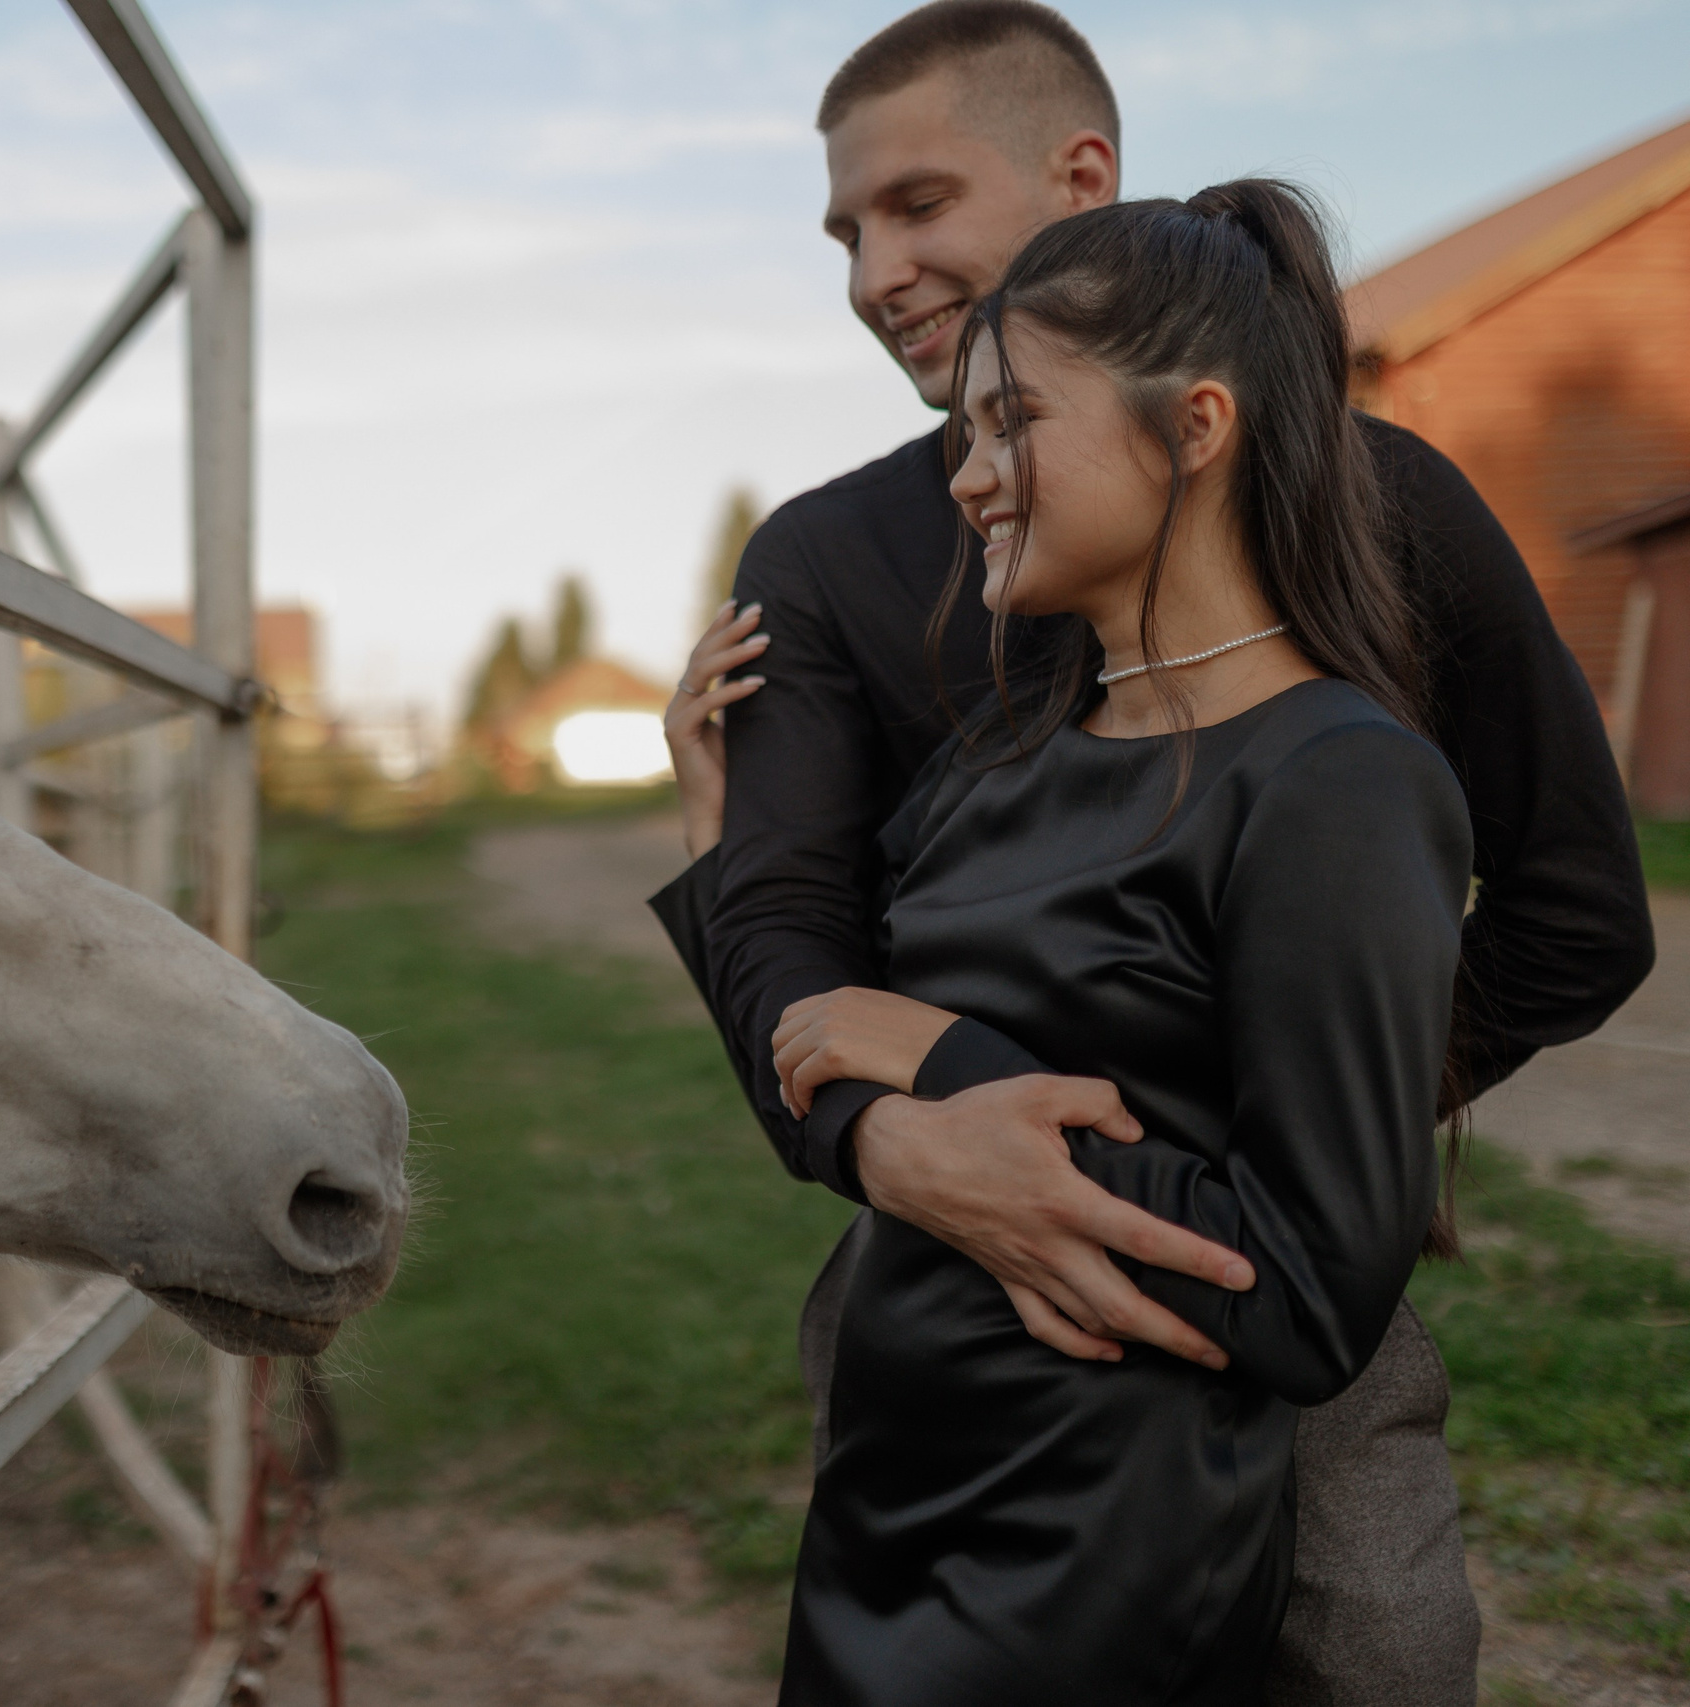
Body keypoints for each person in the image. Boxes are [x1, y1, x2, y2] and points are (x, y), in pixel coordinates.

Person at [648, 4, 1655, 1701]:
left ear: (1082, 173)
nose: (871, 271)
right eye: (842, 232)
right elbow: (793, 958)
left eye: (914, 205)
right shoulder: (822, 563)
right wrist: (911, 1156)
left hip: (1247, 1281)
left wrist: (1262, 1117)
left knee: (1382, 1651)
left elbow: (1572, 914)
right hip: (943, 1294)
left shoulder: (1375, 502)